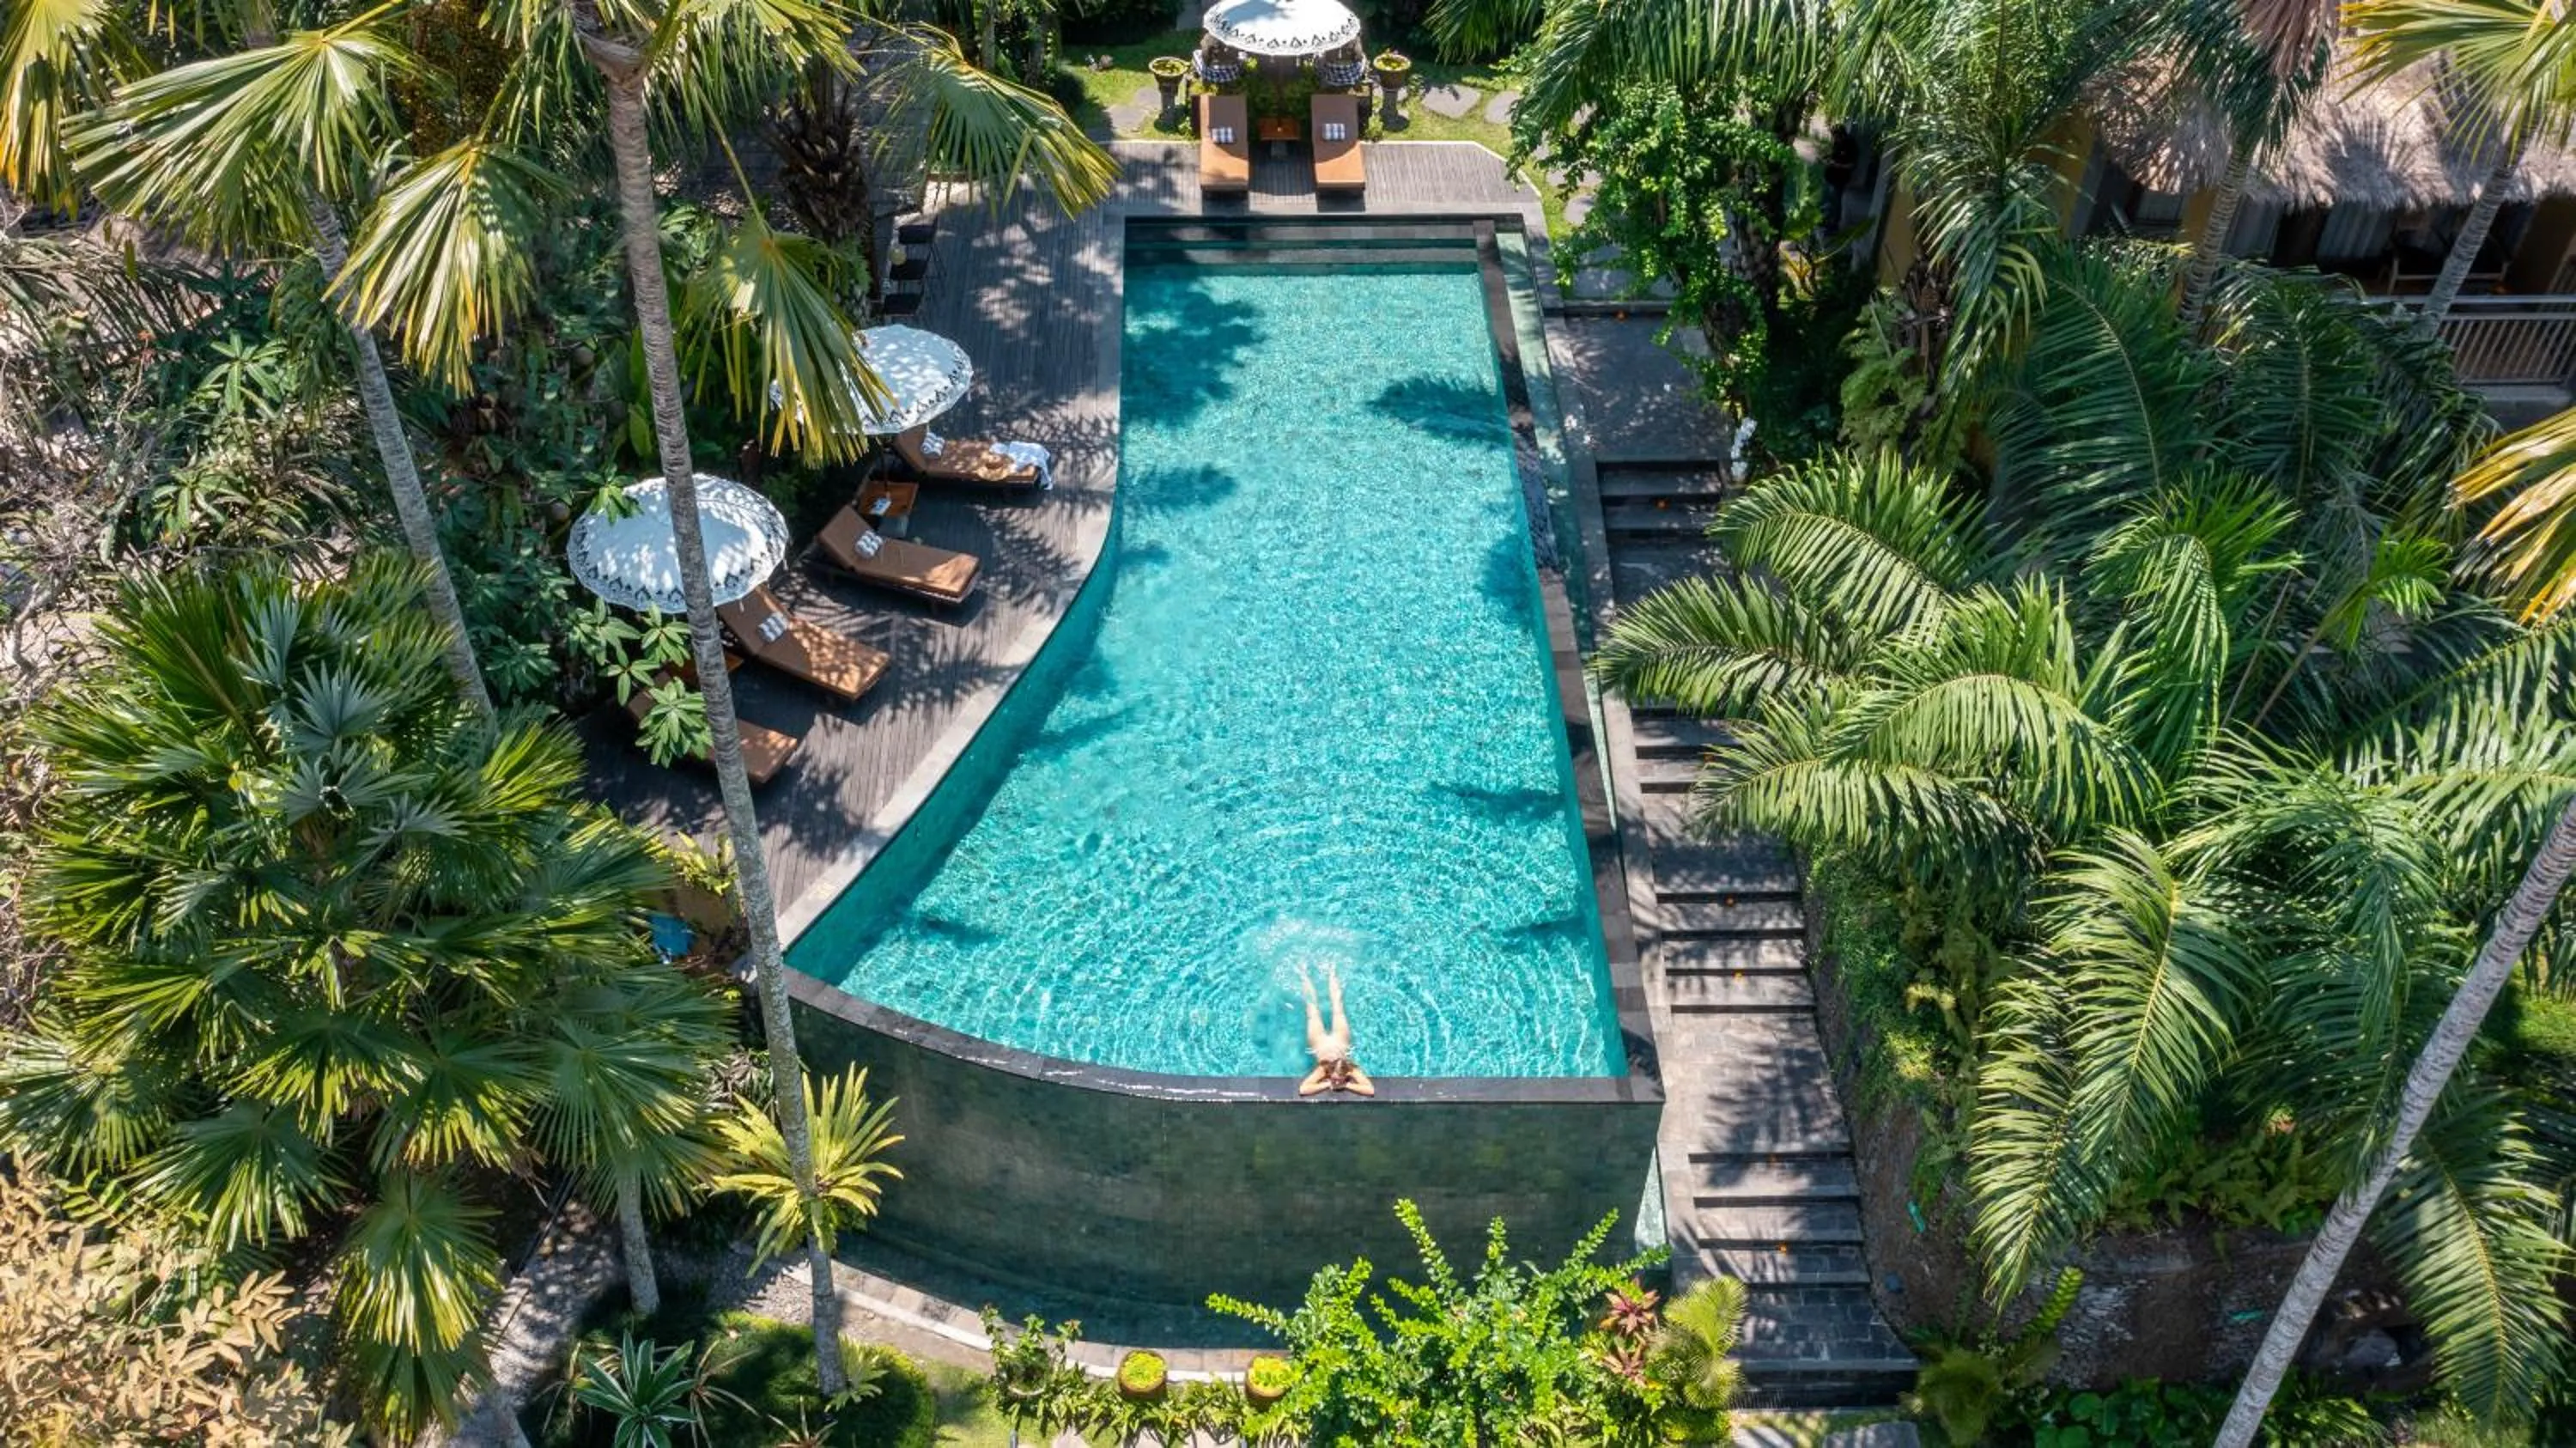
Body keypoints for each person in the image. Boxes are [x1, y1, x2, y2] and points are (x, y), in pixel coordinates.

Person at [1298, 964, 1375, 1097]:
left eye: (1338, 1080)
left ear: (1346, 1075)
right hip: (1339, 1040)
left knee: (1313, 1010)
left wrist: (1346, 1085)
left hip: (1319, 1042)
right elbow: (1303, 1090)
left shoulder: (1351, 1069)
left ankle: (1318, 972)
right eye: (1334, 1079)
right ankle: (1313, 971)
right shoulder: (1324, 1068)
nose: (1335, 1082)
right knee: (1336, 1008)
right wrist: (1328, 1084)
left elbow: (1371, 1090)